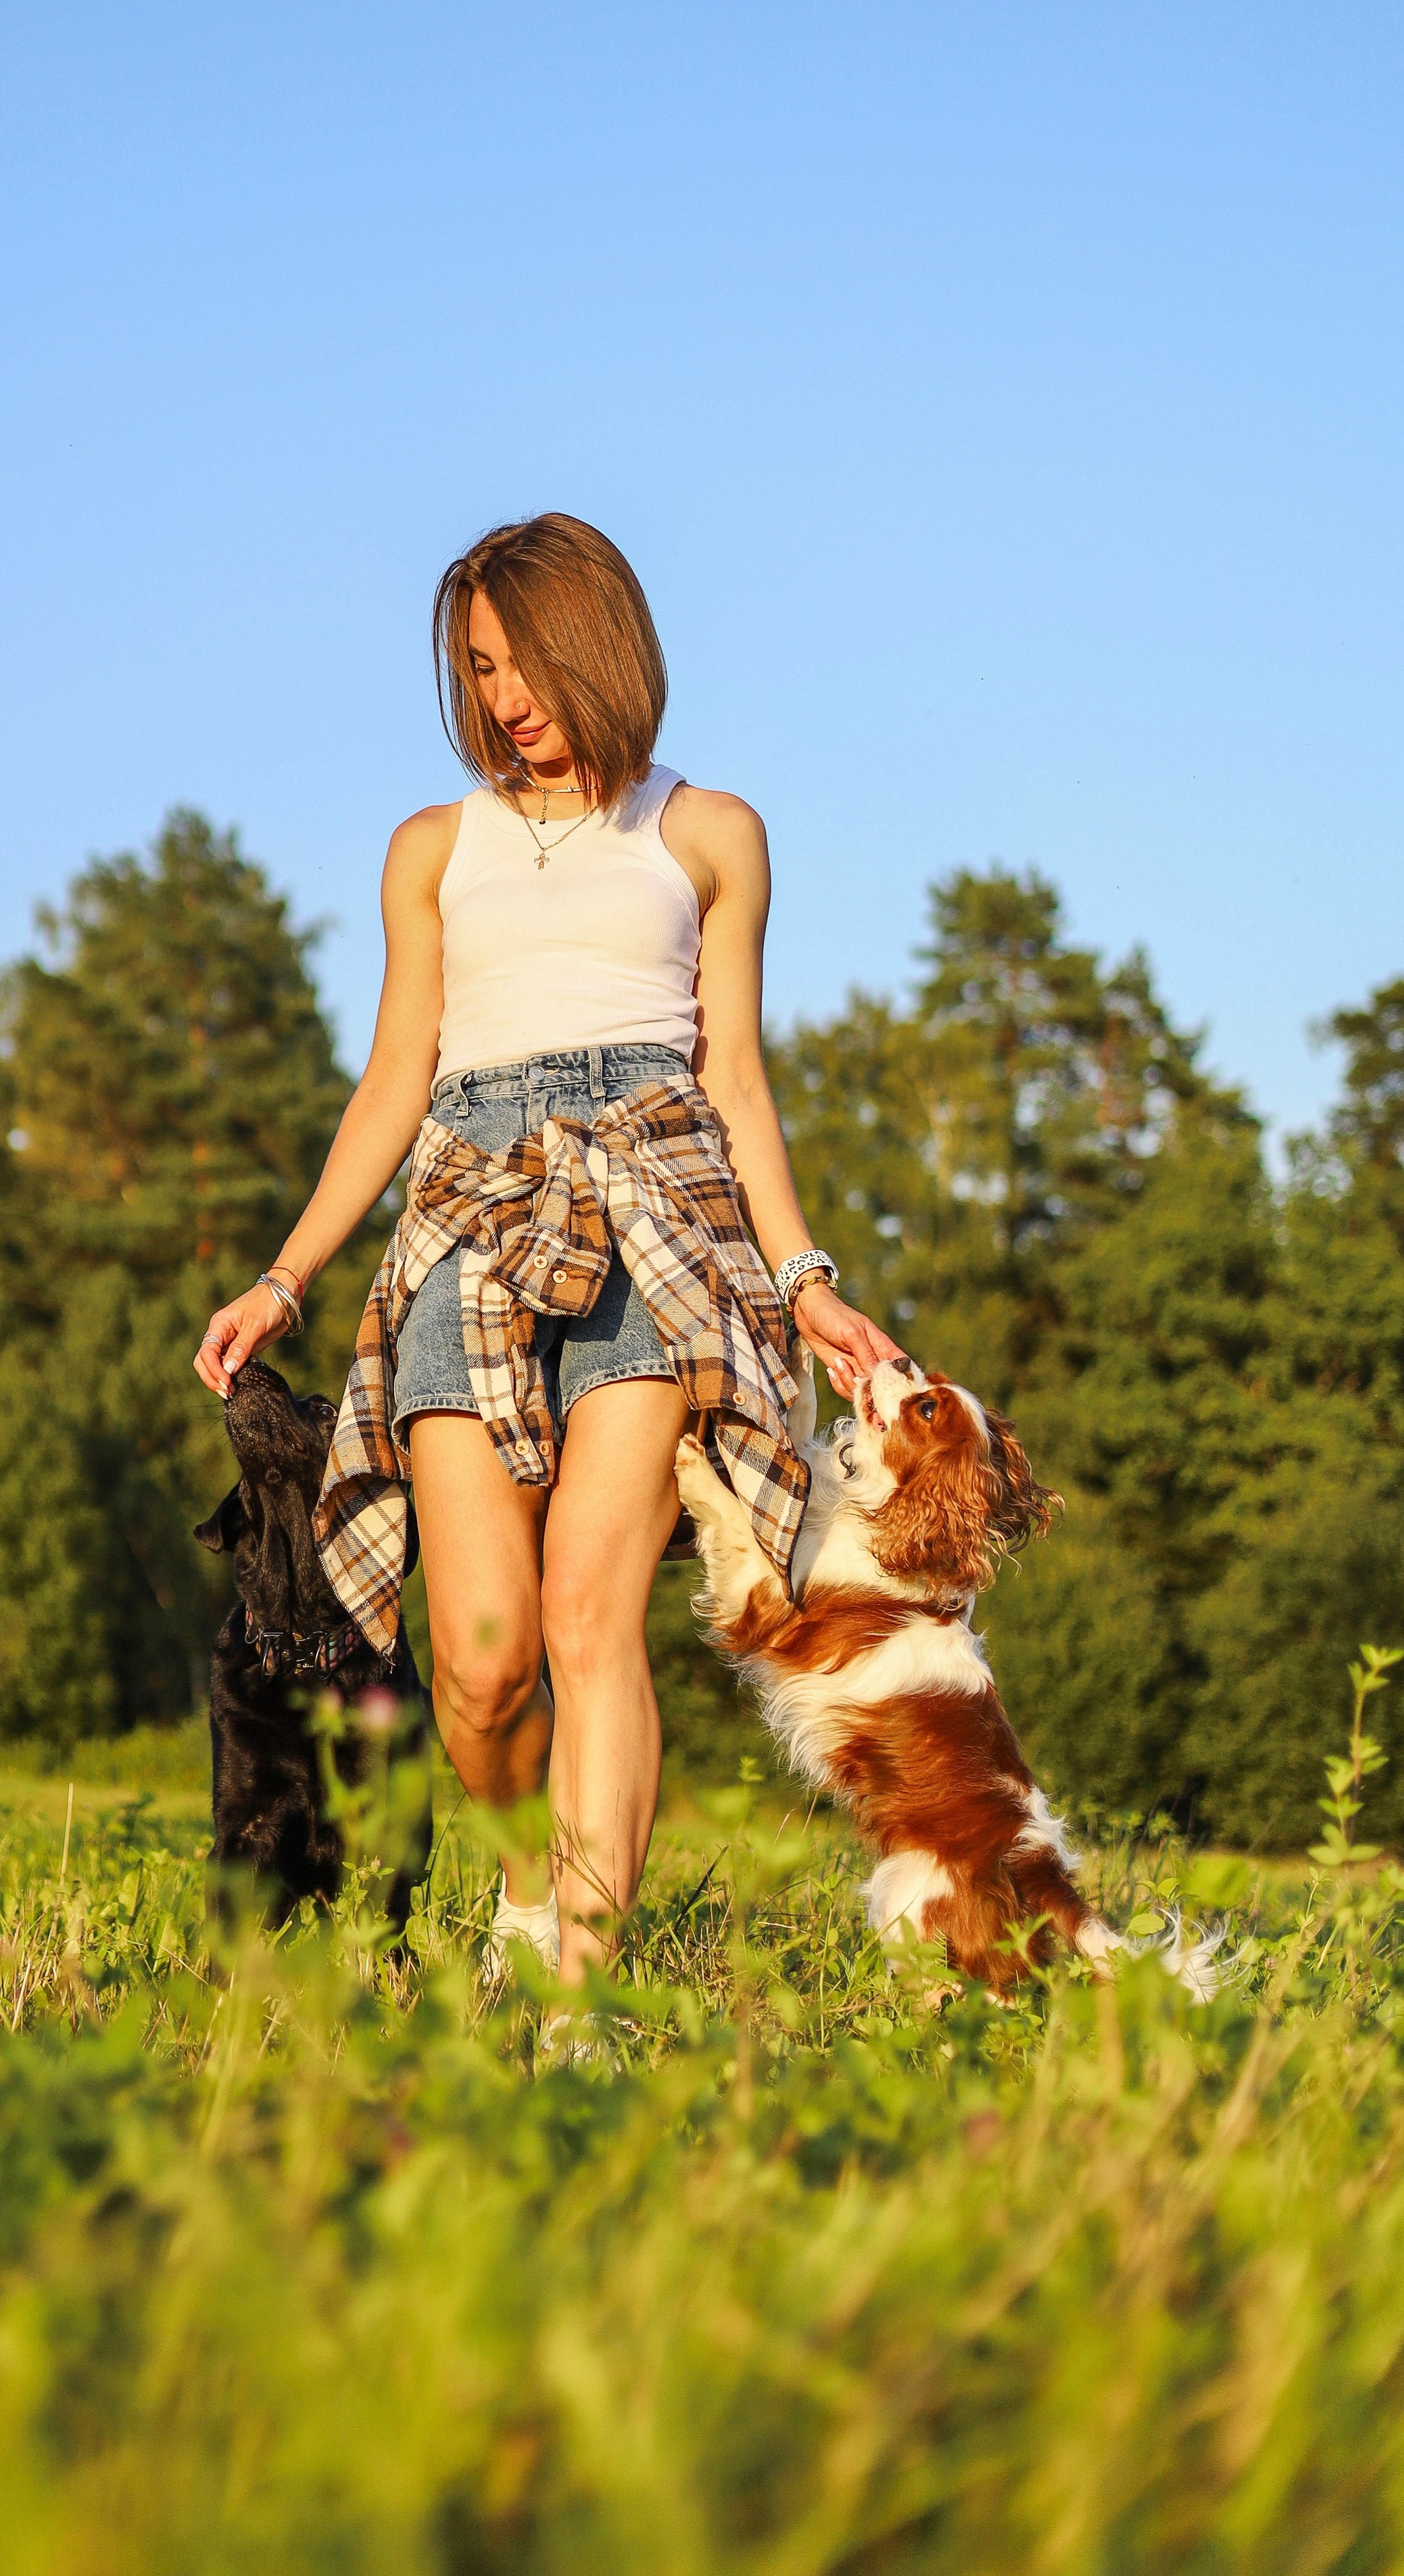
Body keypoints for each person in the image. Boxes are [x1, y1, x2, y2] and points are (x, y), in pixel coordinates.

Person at [195, 514, 902, 1987]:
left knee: (591, 1608)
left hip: (659, 1205)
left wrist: (807, 1279)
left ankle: (581, 1990)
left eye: (524, 660)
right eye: (478, 666)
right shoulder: (430, 849)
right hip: (465, 1211)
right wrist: (285, 1275)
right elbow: (394, 1075)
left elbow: (738, 1080)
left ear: (599, 645)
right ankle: (526, 1887)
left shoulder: (706, 833)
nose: (504, 696)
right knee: (479, 1656)